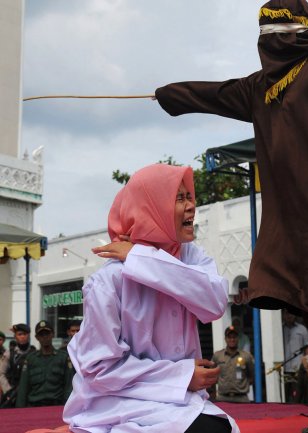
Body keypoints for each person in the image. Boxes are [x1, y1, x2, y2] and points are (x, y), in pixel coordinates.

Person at [154, 1, 308, 431]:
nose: (272, 42)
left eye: (279, 32)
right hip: (289, 228)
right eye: (266, 35)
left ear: (303, 30)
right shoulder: (260, 87)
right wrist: (168, 94)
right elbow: (214, 93)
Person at [62, 164, 237, 433]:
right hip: (120, 402)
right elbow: (100, 370)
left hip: (176, 400)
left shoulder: (191, 256)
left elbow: (214, 303)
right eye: (179, 198)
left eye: (189, 196)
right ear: (150, 209)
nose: (191, 206)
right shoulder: (110, 280)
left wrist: (140, 258)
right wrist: (181, 376)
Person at [15, 320, 74, 407]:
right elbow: (23, 388)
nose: (44, 337)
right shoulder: (31, 359)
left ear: (52, 334)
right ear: (36, 337)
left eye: (47, 334)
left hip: (56, 406)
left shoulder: (63, 358)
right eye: (41, 335)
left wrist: (68, 408)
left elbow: (68, 387)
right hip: (34, 407)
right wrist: (19, 413)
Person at [211, 326, 255, 403]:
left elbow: (251, 377)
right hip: (222, 398)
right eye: (229, 337)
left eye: (234, 337)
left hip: (242, 398)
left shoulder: (246, 356)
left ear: (238, 339)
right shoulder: (217, 356)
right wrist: (214, 395)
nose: (232, 340)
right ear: (225, 339)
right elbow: (211, 376)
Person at [0, 323, 36, 408]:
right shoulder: (9, 354)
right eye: (19, 334)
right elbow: (1, 373)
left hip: (30, 393)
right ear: (15, 336)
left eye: (25, 334)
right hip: (13, 393)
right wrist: (8, 391)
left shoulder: (34, 352)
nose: (22, 337)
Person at [282, 309, 308, 403]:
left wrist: (307, 367)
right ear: (283, 314)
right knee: (285, 398)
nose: (289, 316)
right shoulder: (279, 328)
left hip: (299, 370)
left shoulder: (302, 329)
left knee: (297, 397)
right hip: (283, 369)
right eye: (287, 313)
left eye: (291, 313)